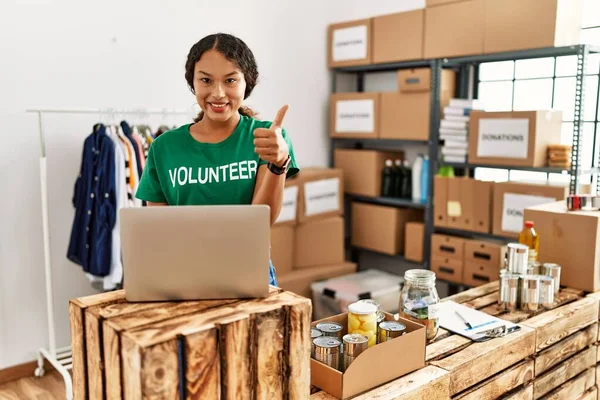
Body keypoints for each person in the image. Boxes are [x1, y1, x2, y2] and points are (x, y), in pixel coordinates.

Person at [135, 33, 300, 286]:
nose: (218, 93)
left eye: (230, 80)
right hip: (183, 273)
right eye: (206, 80)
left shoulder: (268, 138)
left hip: (249, 270)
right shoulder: (163, 148)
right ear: (193, 82)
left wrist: (278, 165)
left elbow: (262, 221)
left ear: (248, 82)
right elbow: (162, 233)